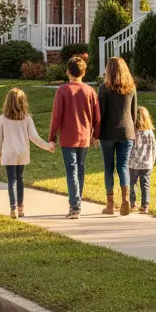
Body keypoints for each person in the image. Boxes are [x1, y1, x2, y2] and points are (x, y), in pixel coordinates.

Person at [47, 55, 100, 219]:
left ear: (68, 72)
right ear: (83, 73)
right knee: (80, 170)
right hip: (84, 137)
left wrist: (52, 137)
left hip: (68, 138)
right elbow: (97, 116)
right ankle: (77, 203)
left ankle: (75, 206)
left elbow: (56, 116)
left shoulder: (62, 90)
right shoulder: (90, 91)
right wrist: (95, 135)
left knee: (72, 171)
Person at [0, 87, 54, 218]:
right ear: (23, 103)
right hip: (22, 152)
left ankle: (12, 209)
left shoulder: (3, 118)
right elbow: (34, 137)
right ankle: (21, 208)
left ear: (7, 102)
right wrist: (47, 146)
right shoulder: (27, 118)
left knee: (11, 180)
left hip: (8, 152)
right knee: (20, 178)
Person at [97, 56, 139, 216]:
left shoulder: (104, 88)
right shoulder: (131, 88)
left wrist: (96, 132)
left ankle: (110, 204)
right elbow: (134, 112)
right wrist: (133, 131)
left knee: (109, 167)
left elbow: (100, 113)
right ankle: (125, 200)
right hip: (127, 132)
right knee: (123, 167)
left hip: (108, 133)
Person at [128, 106, 156, 214]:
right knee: (145, 184)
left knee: (132, 183)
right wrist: (152, 160)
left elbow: (129, 147)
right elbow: (154, 147)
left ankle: (133, 203)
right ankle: (145, 205)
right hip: (146, 163)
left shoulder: (132, 132)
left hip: (133, 163)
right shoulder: (149, 133)